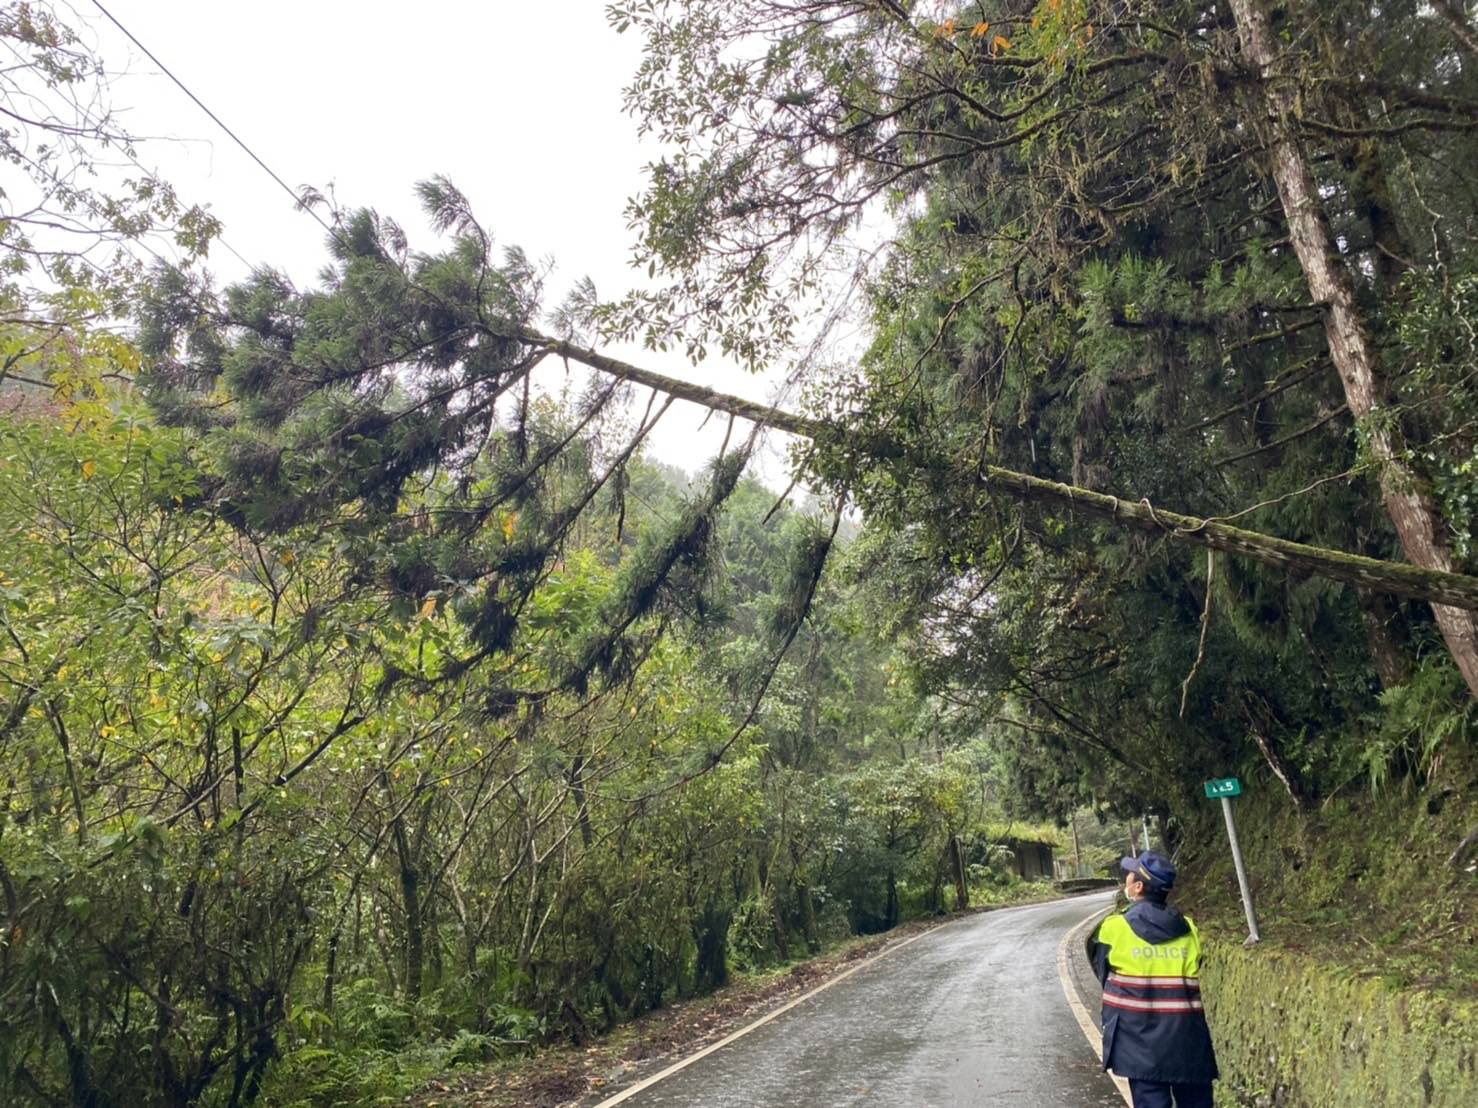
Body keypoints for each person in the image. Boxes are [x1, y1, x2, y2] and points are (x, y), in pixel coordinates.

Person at [1086, 851, 1219, 1108]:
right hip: (1187, 1040)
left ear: (1138, 887)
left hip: (1139, 1043)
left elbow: (1102, 975)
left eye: (1129, 876)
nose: (1125, 880)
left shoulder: (1114, 928)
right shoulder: (1189, 928)